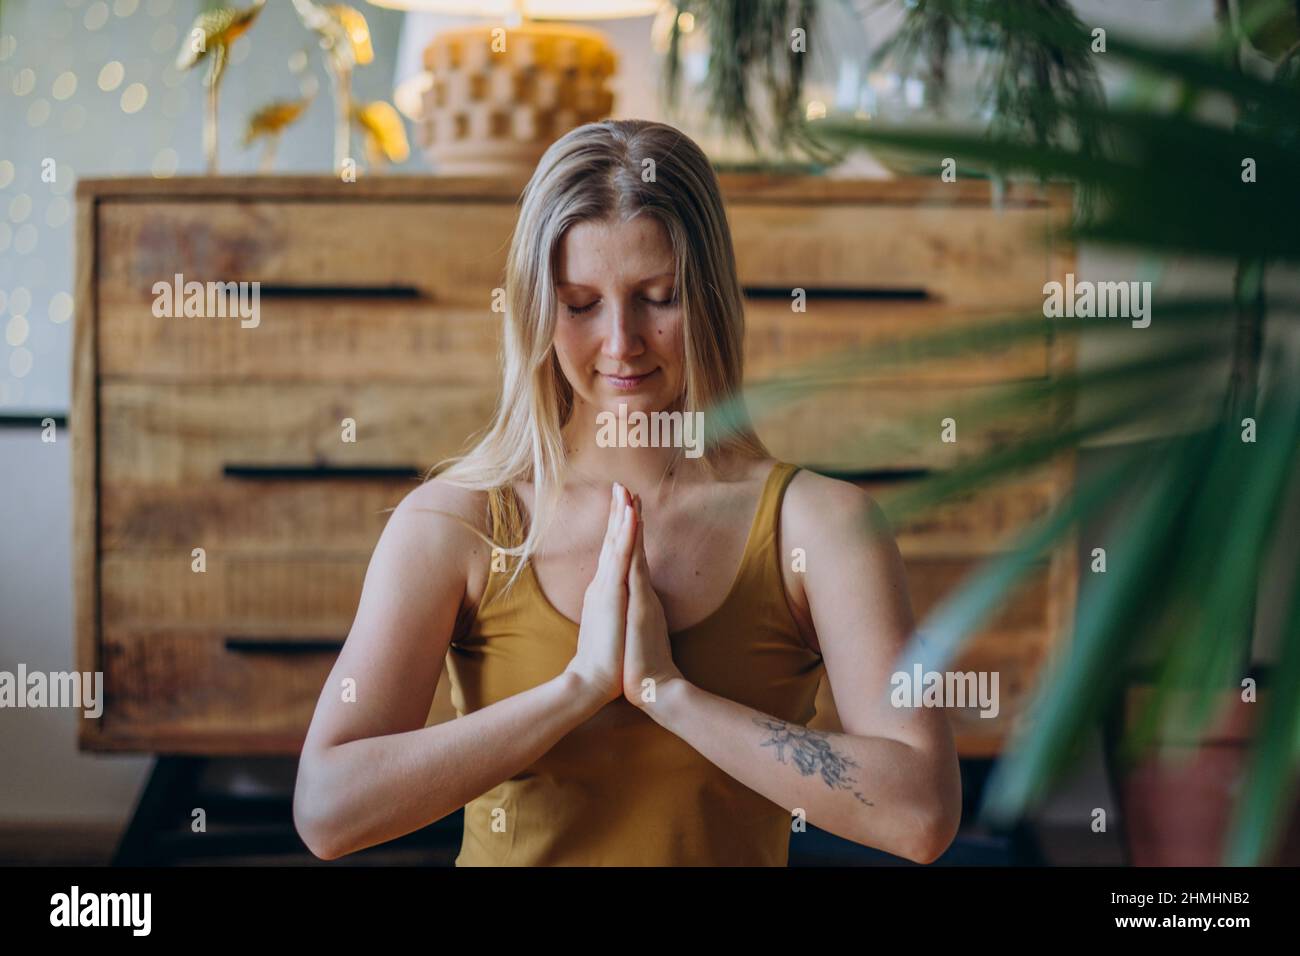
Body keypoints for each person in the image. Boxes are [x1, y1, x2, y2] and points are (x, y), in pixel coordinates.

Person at [293, 118, 961, 866]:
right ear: (536, 311)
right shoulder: (458, 522)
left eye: (659, 296)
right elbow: (327, 810)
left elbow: (921, 813)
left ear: (708, 298)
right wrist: (576, 689)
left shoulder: (821, 528)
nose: (621, 342)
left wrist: (667, 694)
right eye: (580, 304)